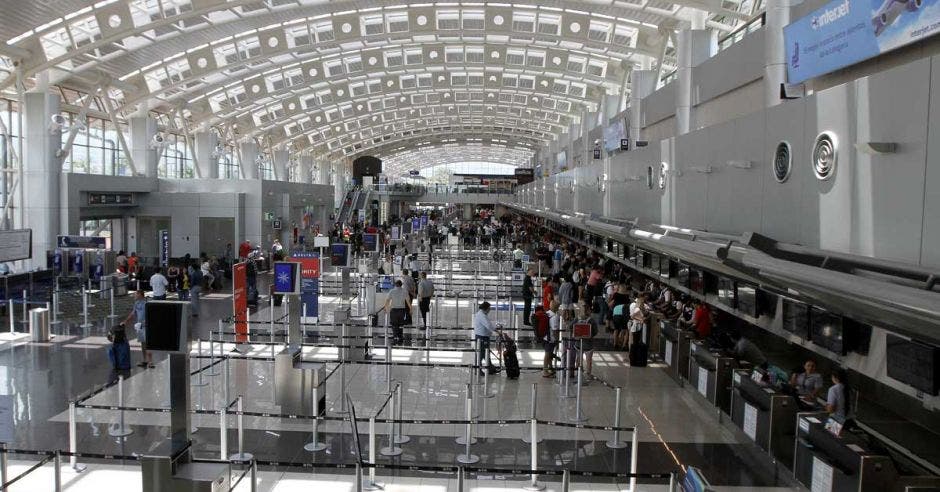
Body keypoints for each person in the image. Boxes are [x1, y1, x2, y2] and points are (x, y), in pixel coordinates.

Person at [122, 290, 153, 368]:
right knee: (143, 344)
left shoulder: (147, 303)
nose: (134, 296)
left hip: (146, 326)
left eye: (135, 294)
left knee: (148, 344)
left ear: (140, 294)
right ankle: (145, 360)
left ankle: (150, 361)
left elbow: (151, 313)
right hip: (139, 326)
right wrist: (125, 321)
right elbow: (133, 313)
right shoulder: (136, 303)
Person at [472, 301, 497, 375]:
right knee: (481, 353)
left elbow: (488, 325)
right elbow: (488, 325)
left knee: (486, 353)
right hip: (482, 338)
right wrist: (496, 331)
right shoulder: (482, 316)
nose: (490, 310)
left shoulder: (481, 314)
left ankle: (490, 367)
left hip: (483, 337)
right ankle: (478, 370)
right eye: (489, 308)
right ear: (486, 308)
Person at [384, 280, 410, 344]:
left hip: (394, 311)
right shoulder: (405, 291)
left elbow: (387, 300)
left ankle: (395, 338)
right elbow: (408, 301)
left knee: (394, 325)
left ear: (395, 285)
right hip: (402, 311)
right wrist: (411, 309)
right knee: (401, 325)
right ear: (401, 285)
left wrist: (385, 307)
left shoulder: (392, 291)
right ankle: (400, 339)